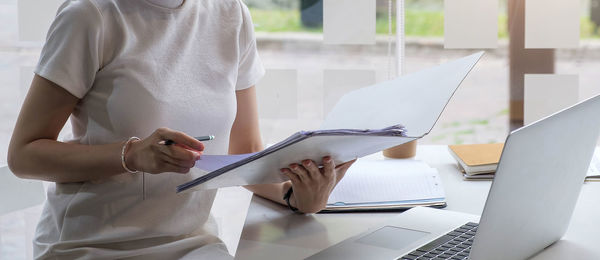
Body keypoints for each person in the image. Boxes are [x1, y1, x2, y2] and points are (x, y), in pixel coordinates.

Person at [6, 0, 355, 259]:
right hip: (91, 245)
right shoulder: (91, 14)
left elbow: (243, 149)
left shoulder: (230, 14)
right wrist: (130, 155)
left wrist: (296, 195)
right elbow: (24, 155)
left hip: (193, 244)